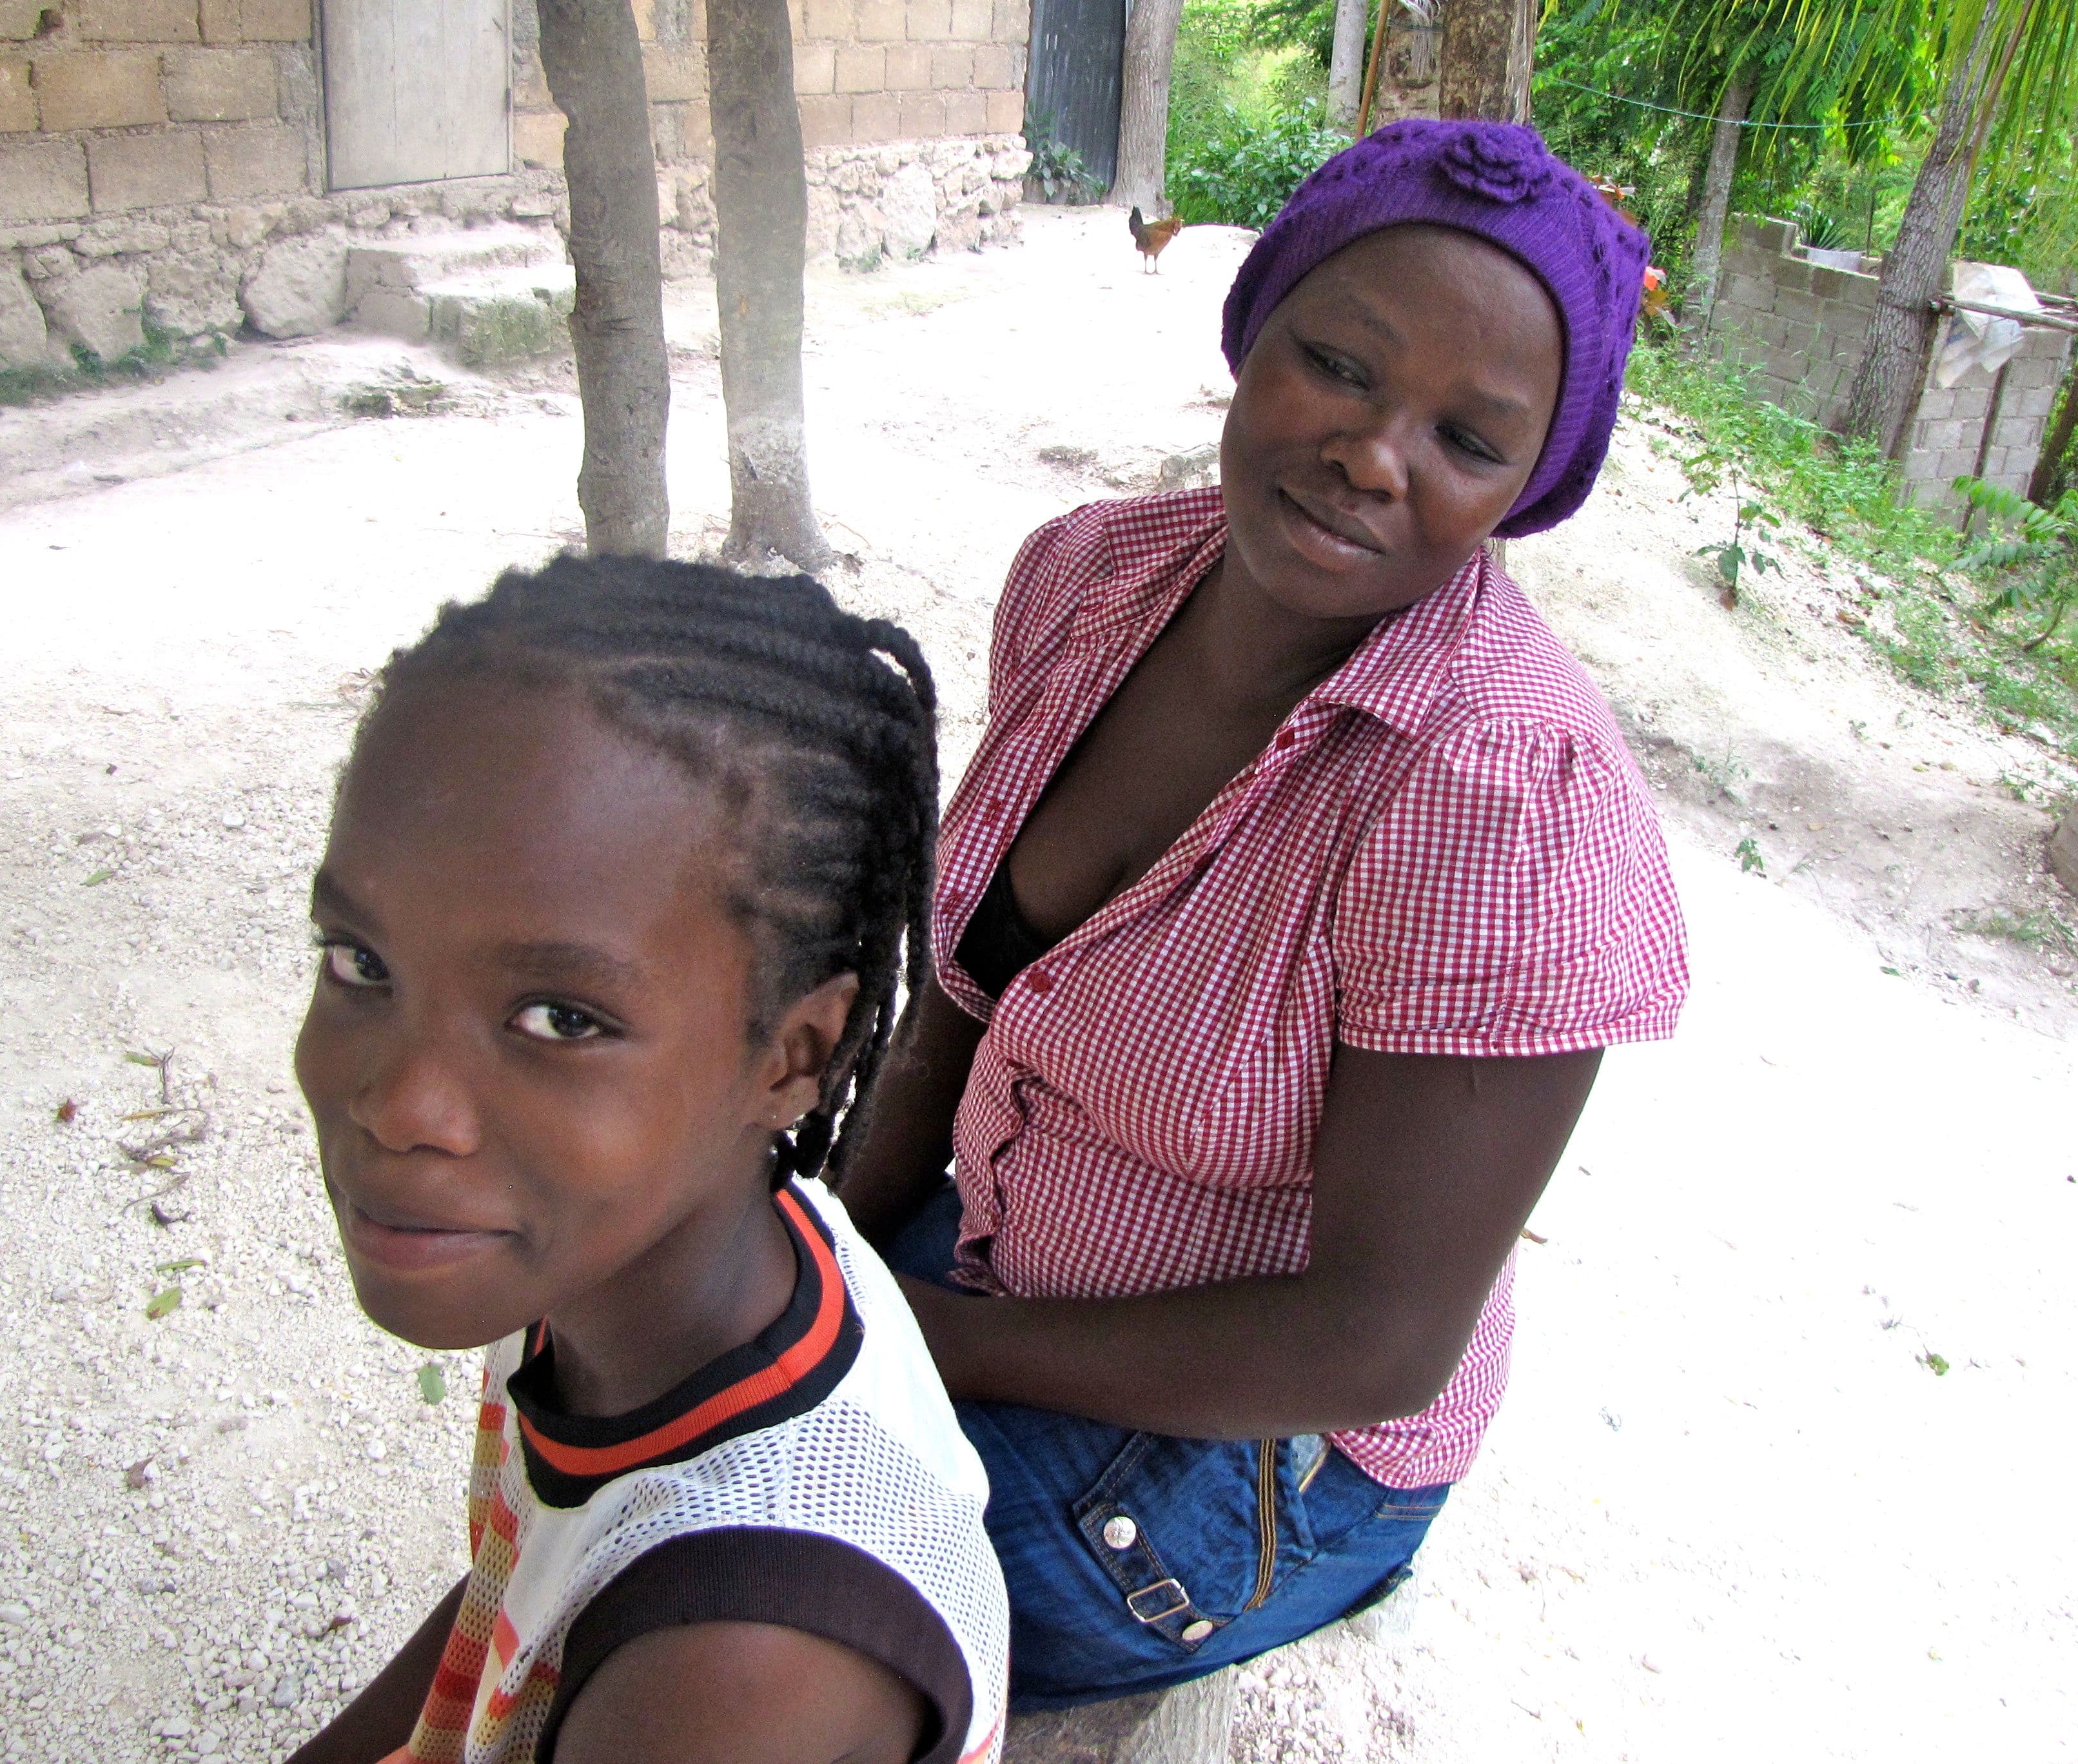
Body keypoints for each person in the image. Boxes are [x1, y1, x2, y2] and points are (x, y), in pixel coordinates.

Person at [834, 119, 1691, 1710]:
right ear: (1255, 334)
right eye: (1341, 365)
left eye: (1469, 439)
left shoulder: (1494, 801)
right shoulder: (1095, 580)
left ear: (1527, 488)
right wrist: (824, 1250)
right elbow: (965, 989)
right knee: (626, 1410)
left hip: (1247, 1466)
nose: (1377, 455)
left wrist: (914, 1342)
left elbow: (1376, 1338)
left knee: (733, 1597)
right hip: (1005, 1277)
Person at [284, 556, 1008, 1764]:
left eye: (561, 1019)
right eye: (362, 964)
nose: (403, 1106)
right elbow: (510, 1594)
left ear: (795, 1056)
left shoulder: (739, 1667)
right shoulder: (659, 1257)